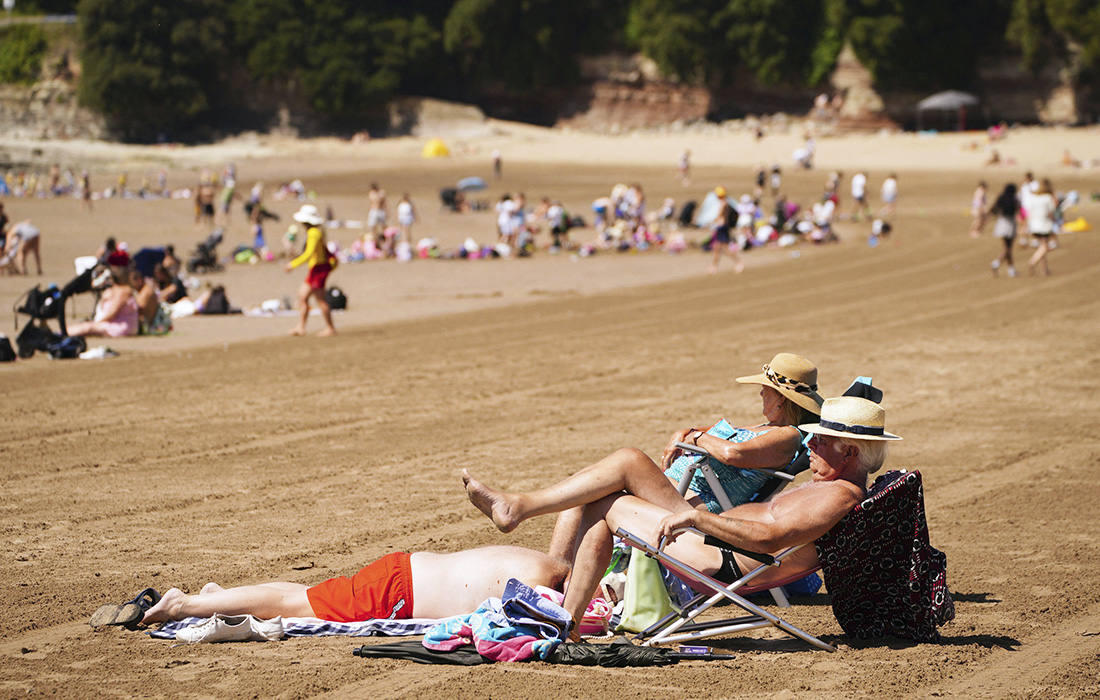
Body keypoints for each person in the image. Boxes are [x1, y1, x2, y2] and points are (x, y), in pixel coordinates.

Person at [550, 395, 901, 626]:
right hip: (715, 541)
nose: (811, 443)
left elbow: (768, 538)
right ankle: (567, 612)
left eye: (821, 440)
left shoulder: (838, 498)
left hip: (721, 559)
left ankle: (568, 621)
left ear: (850, 453)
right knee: (623, 469)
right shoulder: (832, 488)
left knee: (606, 499)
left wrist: (698, 518)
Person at [464, 353, 825, 564]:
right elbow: (713, 432)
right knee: (583, 489)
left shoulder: (789, 437)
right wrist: (686, 432)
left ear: (781, 398)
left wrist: (697, 438)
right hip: (678, 496)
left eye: (765, 388)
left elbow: (732, 451)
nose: (760, 392)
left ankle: (519, 507)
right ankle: (557, 574)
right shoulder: (767, 426)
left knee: (629, 459)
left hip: (696, 513)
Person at [141, 545, 569, 626]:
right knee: (294, 604)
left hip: (404, 576)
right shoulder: (546, 587)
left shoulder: (549, 565)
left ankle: (224, 599)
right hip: (398, 593)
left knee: (305, 596)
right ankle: (184, 604)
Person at [285, 204, 337, 337]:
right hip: (315, 268)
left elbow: (309, 253)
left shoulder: (313, 233)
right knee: (302, 297)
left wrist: (293, 264)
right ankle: (301, 327)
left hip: (319, 269)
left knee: (320, 300)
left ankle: (330, 328)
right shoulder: (315, 232)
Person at [68, 260, 140, 338]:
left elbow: (112, 312)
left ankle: (62, 334)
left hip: (121, 327)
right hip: (112, 323)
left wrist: (97, 323)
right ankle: (62, 332)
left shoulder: (123, 291)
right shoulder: (112, 291)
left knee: (88, 327)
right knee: (86, 325)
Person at [707, 187, 744, 275]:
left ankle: (739, 263)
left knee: (725, 249)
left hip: (722, 228)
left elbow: (720, 217)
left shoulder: (723, 204)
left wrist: (711, 223)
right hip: (724, 228)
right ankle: (714, 267)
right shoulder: (726, 203)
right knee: (717, 248)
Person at [1026, 179, 1057, 276]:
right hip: (1044, 225)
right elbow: (1052, 211)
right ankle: (1032, 262)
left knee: (1041, 246)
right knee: (1045, 247)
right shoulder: (1047, 198)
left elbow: (1029, 212)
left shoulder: (1034, 197)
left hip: (1034, 225)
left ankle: (1044, 270)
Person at [989, 183, 1019, 277]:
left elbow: (993, 210)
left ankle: (1011, 270)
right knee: (1008, 248)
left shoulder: (1001, 198)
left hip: (1002, 223)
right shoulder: (1015, 199)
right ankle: (997, 263)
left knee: (1007, 247)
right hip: (1010, 223)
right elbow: (1018, 210)